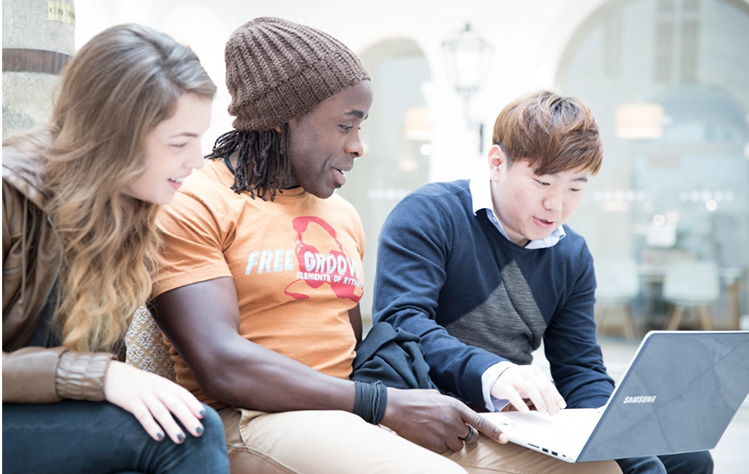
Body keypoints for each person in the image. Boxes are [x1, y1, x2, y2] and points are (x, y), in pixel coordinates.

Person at [151, 17, 619, 474]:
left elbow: (356, 351)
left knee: (594, 467)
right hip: (254, 419)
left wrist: (405, 403)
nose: (359, 146)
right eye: (345, 125)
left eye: (361, 126)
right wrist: (385, 405)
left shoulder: (340, 215)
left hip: (353, 416)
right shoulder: (196, 201)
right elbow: (221, 365)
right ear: (283, 120)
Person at [373, 90, 714, 473]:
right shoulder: (430, 214)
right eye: (543, 182)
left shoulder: (571, 254)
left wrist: (618, 430)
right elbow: (401, 322)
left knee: (690, 458)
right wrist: (493, 371)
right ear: (497, 163)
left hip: (519, 415)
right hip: (441, 405)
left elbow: (580, 369)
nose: (557, 204)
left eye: (575, 187)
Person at [2, 23, 229, 474]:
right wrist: (100, 375)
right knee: (188, 433)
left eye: (199, 138)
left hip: (40, 418)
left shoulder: (129, 214)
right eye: (179, 142)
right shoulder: (8, 194)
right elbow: (98, 375)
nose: (197, 160)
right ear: (116, 138)